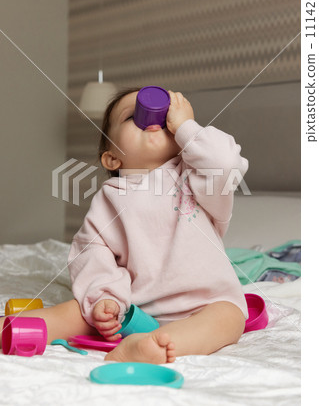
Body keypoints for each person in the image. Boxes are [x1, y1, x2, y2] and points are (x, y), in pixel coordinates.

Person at [0, 87, 249, 365]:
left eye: (165, 116)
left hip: (204, 304)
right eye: (133, 116)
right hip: (133, 308)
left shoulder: (198, 177)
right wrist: (105, 299)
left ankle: (151, 345)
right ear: (112, 158)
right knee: (76, 311)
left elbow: (226, 162)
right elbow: (93, 252)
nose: (152, 118)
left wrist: (186, 127)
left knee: (230, 317)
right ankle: (10, 327)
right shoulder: (109, 199)